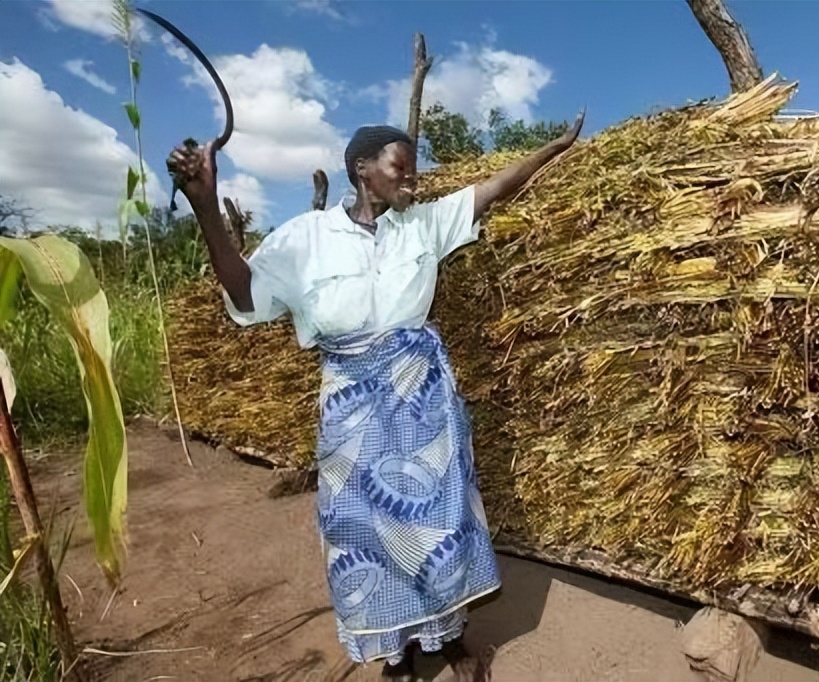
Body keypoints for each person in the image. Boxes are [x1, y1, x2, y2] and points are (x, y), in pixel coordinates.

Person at [166, 112, 584, 682]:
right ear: (362, 169)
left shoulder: (423, 224)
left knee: (438, 525)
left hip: (422, 403)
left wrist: (552, 148)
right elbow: (244, 293)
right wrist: (205, 207)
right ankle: (400, 653)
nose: (412, 177)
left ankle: (454, 640)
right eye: (400, 165)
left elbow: (491, 189)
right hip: (350, 410)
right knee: (362, 529)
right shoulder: (305, 239)